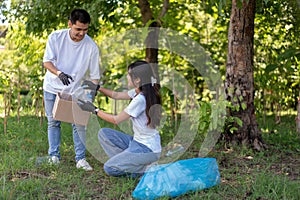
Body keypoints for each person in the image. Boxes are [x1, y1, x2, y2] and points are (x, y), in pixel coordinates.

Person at [78, 60, 162, 177]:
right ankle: (128, 161)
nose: (127, 77)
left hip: (146, 149)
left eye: (129, 74)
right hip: (137, 142)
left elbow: (116, 120)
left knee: (109, 168)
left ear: (137, 80)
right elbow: (116, 95)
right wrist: (97, 88)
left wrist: (94, 110)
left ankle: (144, 170)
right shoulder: (138, 92)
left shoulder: (140, 99)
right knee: (104, 134)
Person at [42, 8, 100, 171]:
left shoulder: (91, 47)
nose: (81, 34)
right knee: (53, 121)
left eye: (85, 30)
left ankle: (81, 159)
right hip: (53, 87)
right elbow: (47, 62)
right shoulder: (56, 37)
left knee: (79, 124)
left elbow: (94, 76)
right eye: (78, 29)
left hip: (76, 91)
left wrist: (90, 95)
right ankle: (54, 156)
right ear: (70, 24)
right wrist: (59, 73)